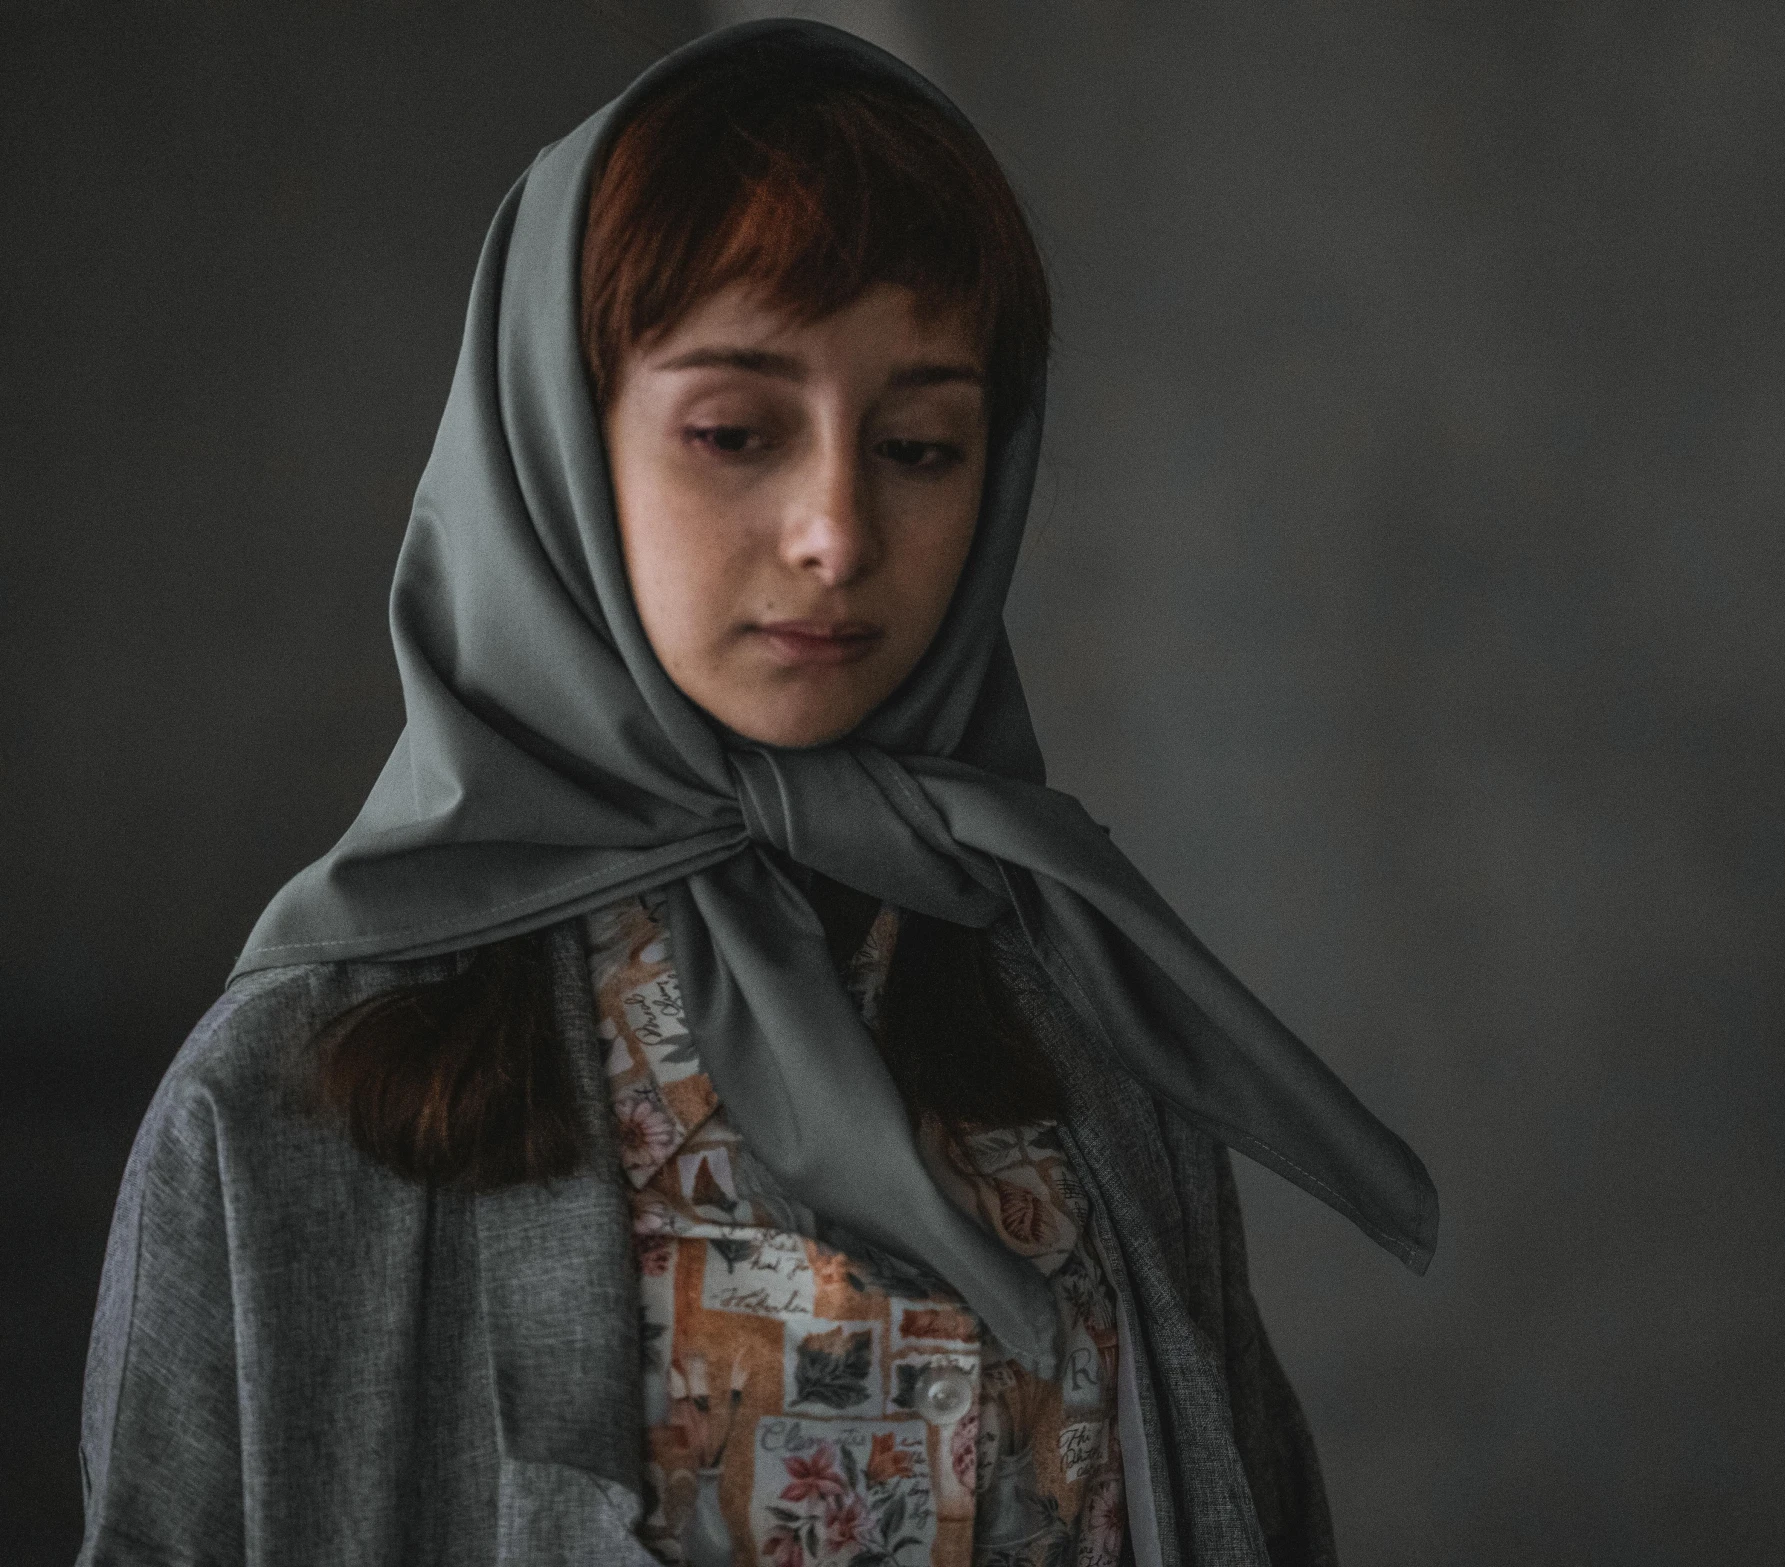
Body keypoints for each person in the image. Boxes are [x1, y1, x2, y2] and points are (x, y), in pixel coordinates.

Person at [76, 20, 1435, 1567]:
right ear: (556, 439)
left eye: (923, 444)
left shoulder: (1089, 1012)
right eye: (735, 432)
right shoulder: (285, 1100)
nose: (837, 531)